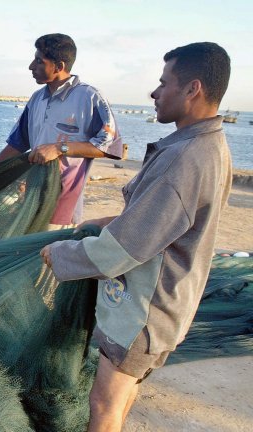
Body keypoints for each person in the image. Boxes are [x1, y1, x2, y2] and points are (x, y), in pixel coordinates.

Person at [39, 42, 232, 432]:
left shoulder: (185, 158)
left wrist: (61, 254)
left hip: (145, 310)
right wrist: (102, 221)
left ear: (193, 89)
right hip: (168, 303)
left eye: (164, 83)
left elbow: (126, 247)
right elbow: (159, 219)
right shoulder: (208, 146)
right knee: (124, 393)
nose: (154, 93)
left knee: (104, 403)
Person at [0, 34, 122, 229]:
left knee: (50, 255)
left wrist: (60, 148)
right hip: (31, 196)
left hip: (63, 203)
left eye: (38, 61)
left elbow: (109, 147)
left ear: (59, 66)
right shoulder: (37, 99)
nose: (31, 67)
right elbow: (16, 145)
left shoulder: (89, 98)